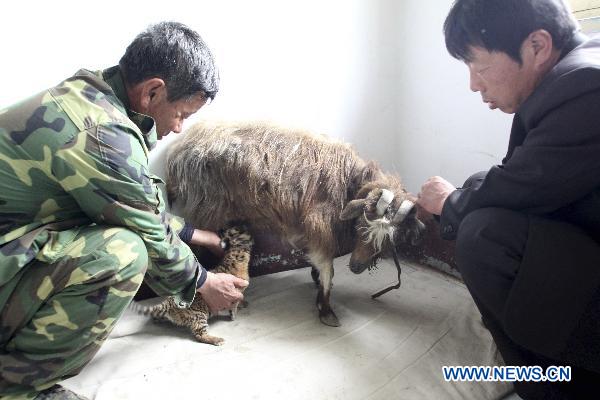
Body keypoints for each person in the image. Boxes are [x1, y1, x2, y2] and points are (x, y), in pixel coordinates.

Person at [0, 22, 248, 400]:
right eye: (182, 113)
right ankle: (17, 388)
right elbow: (145, 228)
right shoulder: (102, 134)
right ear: (153, 91)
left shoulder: (92, 95)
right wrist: (202, 283)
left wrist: (189, 233)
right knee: (123, 253)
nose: (180, 128)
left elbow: (130, 198)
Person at [418, 0, 600, 398]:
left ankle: (554, 386)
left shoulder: (586, 85)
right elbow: (532, 180)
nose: (473, 84)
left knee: (484, 235)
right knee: (481, 193)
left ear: (537, 46)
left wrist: (450, 202)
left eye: (479, 67)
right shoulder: (577, 70)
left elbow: (521, 185)